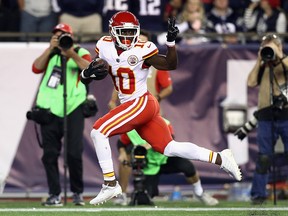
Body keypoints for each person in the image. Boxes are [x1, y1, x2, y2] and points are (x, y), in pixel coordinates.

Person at [80, 11, 242, 205]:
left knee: (99, 131)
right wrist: (87, 72)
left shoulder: (143, 48)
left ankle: (110, 183)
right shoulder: (104, 45)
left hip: (140, 102)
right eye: (123, 32)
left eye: (131, 33)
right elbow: (92, 74)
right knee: (168, 147)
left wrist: (171, 44)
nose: (128, 37)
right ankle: (221, 158)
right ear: (112, 32)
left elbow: (169, 64)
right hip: (133, 105)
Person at [31, 23, 92, 206]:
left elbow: (90, 68)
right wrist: (51, 49)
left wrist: (70, 53)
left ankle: (77, 192)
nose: (60, 39)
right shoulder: (51, 54)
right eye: (57, 36)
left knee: (74, 153)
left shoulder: (80, 52)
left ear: (71, 37)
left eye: (63, 36)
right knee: (49, 154)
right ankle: (54, 194)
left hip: (73, 107)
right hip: (49, 109)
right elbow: (36, 67)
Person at [115, 119, 219, 206]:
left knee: (188, 167)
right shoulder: (132, 129)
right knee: (146, 196)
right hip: (149, 166)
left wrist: (150, 143)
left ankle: (199, 192)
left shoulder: (163, 123)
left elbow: (170, 140)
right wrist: (122, 153)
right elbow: (121, 143)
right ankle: (122, 195)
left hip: (165, 159)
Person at [247, 33, 288, 205]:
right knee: (264, 157)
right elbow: (250, 82)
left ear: (279, 46)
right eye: (266, 46)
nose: (269, 49)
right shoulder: (263, 66)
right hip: (265, 116)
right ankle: (258, 195)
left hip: (286, 114)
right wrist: (259, 60)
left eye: (271, 46)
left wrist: (280, 55)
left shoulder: (285, 62)